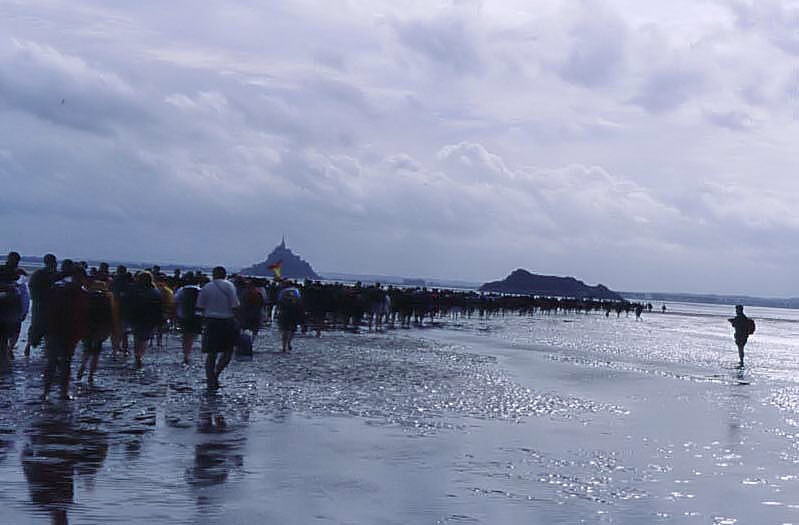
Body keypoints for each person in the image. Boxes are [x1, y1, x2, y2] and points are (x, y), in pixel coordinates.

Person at [197, 266, 239, 388]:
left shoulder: (206, 287)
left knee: (211, 353)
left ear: (213, 275)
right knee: (228, 351)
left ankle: (210, 377)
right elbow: (235, 305)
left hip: (210, 321)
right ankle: (216, 373)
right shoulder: (229, 286)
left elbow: (200, 306)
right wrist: (239, 321)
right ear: (225, 275)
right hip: (227, 320)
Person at [25, 254, 58, 357]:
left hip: (48, 306)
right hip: (41, 305)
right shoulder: (40, 274)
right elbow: (32, 288)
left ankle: (31, 348)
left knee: (46, 329)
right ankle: (28, 348)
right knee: (37, 327)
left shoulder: (47, 274)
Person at [174, 277, 203, 364]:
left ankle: (186, 354)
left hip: (184, 315)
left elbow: (176, 301)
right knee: (193, 335)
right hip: (197, 316)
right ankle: (189, 352)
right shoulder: (200, 291)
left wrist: (175, 315)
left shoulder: (182, 290)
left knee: (186, 336)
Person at [276, 281, 303, 352]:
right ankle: (289, 342)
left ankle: (284, 346)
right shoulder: (296, 291)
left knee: (284, 329)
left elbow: (279, 302)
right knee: (292, 329)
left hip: (284, 312)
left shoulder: (282, 291)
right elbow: (299, 302)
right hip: (293, 312)